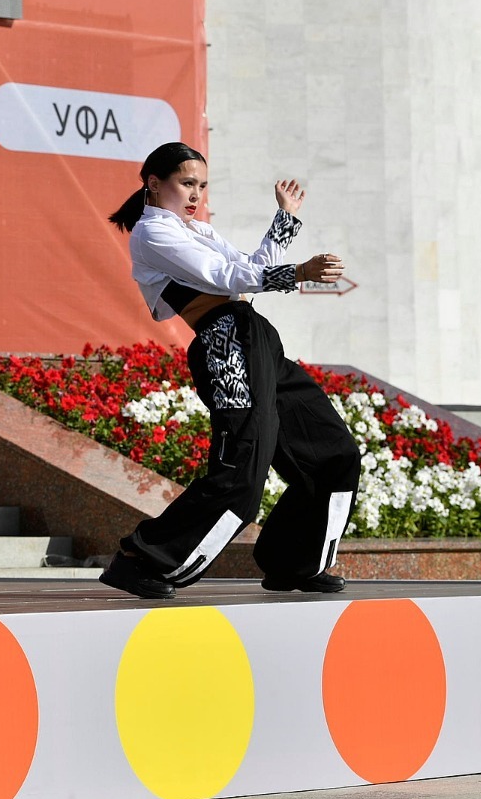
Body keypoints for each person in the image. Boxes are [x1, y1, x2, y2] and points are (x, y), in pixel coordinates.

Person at [99, 142, 361, 599]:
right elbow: (223, 278)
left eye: (201, 185)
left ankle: (292, 563)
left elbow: (249, 269)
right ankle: (141, 560)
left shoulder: (198, 230)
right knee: (242, 469)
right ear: (154, 184)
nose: (195, 194)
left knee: (332, 453)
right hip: (224, 344)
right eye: (186, 183)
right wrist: (298, 272)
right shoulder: (151, 233)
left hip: (255, 337)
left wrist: (285, 218)